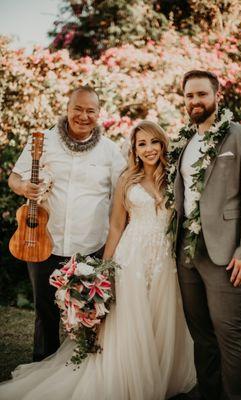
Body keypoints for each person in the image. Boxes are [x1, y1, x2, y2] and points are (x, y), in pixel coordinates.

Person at [0, 120, 196, 400]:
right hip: (131, 259)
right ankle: (129, 378)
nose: (149, 148)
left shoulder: (175, 178)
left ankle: (159, 377)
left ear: (163, 144)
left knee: (158, 318)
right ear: (134, 149)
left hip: (164, 260)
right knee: (131, 321)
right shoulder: (127, 179)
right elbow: (116, 227)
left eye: (154, 141)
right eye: (142, 143)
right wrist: (103, 269)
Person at [8, 85, 126, 362]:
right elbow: (14, 177)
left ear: (99, 114)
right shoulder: (43, 140)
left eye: (90, 111)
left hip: (90, 246)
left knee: (87, 314)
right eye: (78, 108)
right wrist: (24, 187)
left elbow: (124, 193)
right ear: (67, 108)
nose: (83, 116)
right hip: (43, 242)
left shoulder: (110, 152)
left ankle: (85, 371)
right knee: (45, 311)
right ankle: (42, 365)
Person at [174, 70, 241, 400]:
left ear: (217, 95)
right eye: (189, 96)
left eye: (201, 94)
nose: (195, 101)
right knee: (200, 333)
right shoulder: (184, 140)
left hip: (227, 251)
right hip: (185, 246)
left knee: (228, 331)